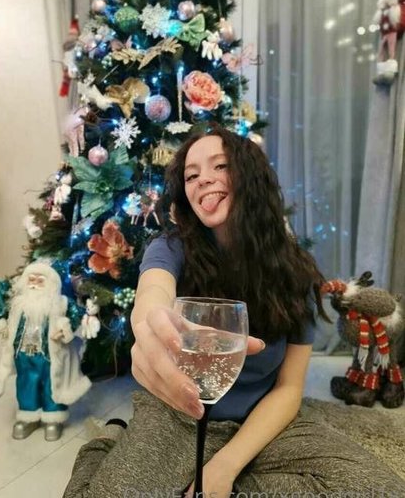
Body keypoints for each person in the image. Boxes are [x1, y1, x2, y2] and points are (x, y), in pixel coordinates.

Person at [64, 125, 405, 497]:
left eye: (220, 165)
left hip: (262, 424)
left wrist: (225, 466)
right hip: (179, 415)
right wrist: (151, 319)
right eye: (191, 175)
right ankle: (108, 440)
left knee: (379, 488)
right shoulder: (171, 247)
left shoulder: (295, 270)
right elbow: (154, 292)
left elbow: (289, 388)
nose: (203, 179)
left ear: (251, 176)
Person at [0, 261, 92, 441]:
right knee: (26, 383)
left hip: (50, 356)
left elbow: (76, 316)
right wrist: (1, 326)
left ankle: (53, 417)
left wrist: (65, 329)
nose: (34, 284)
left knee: (52, 384)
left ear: (51, 284)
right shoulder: (18, 304)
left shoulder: (61, 304)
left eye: (40, 281)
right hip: (23, 354)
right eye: (31, 279)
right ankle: (28, 415)